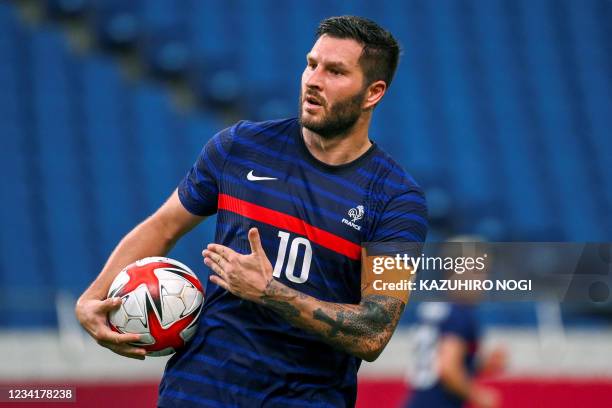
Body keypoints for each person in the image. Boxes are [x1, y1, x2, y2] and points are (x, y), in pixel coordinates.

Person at [75, 15, 427, 407]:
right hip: (200, 390)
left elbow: (373, 332)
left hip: (306, 398)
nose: (313, 80)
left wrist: (270, 292)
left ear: (372, 92)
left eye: (335, 71)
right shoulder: (239, 147)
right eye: (311, 64)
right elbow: (164, 226)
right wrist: (91, 298)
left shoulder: (396, 200)